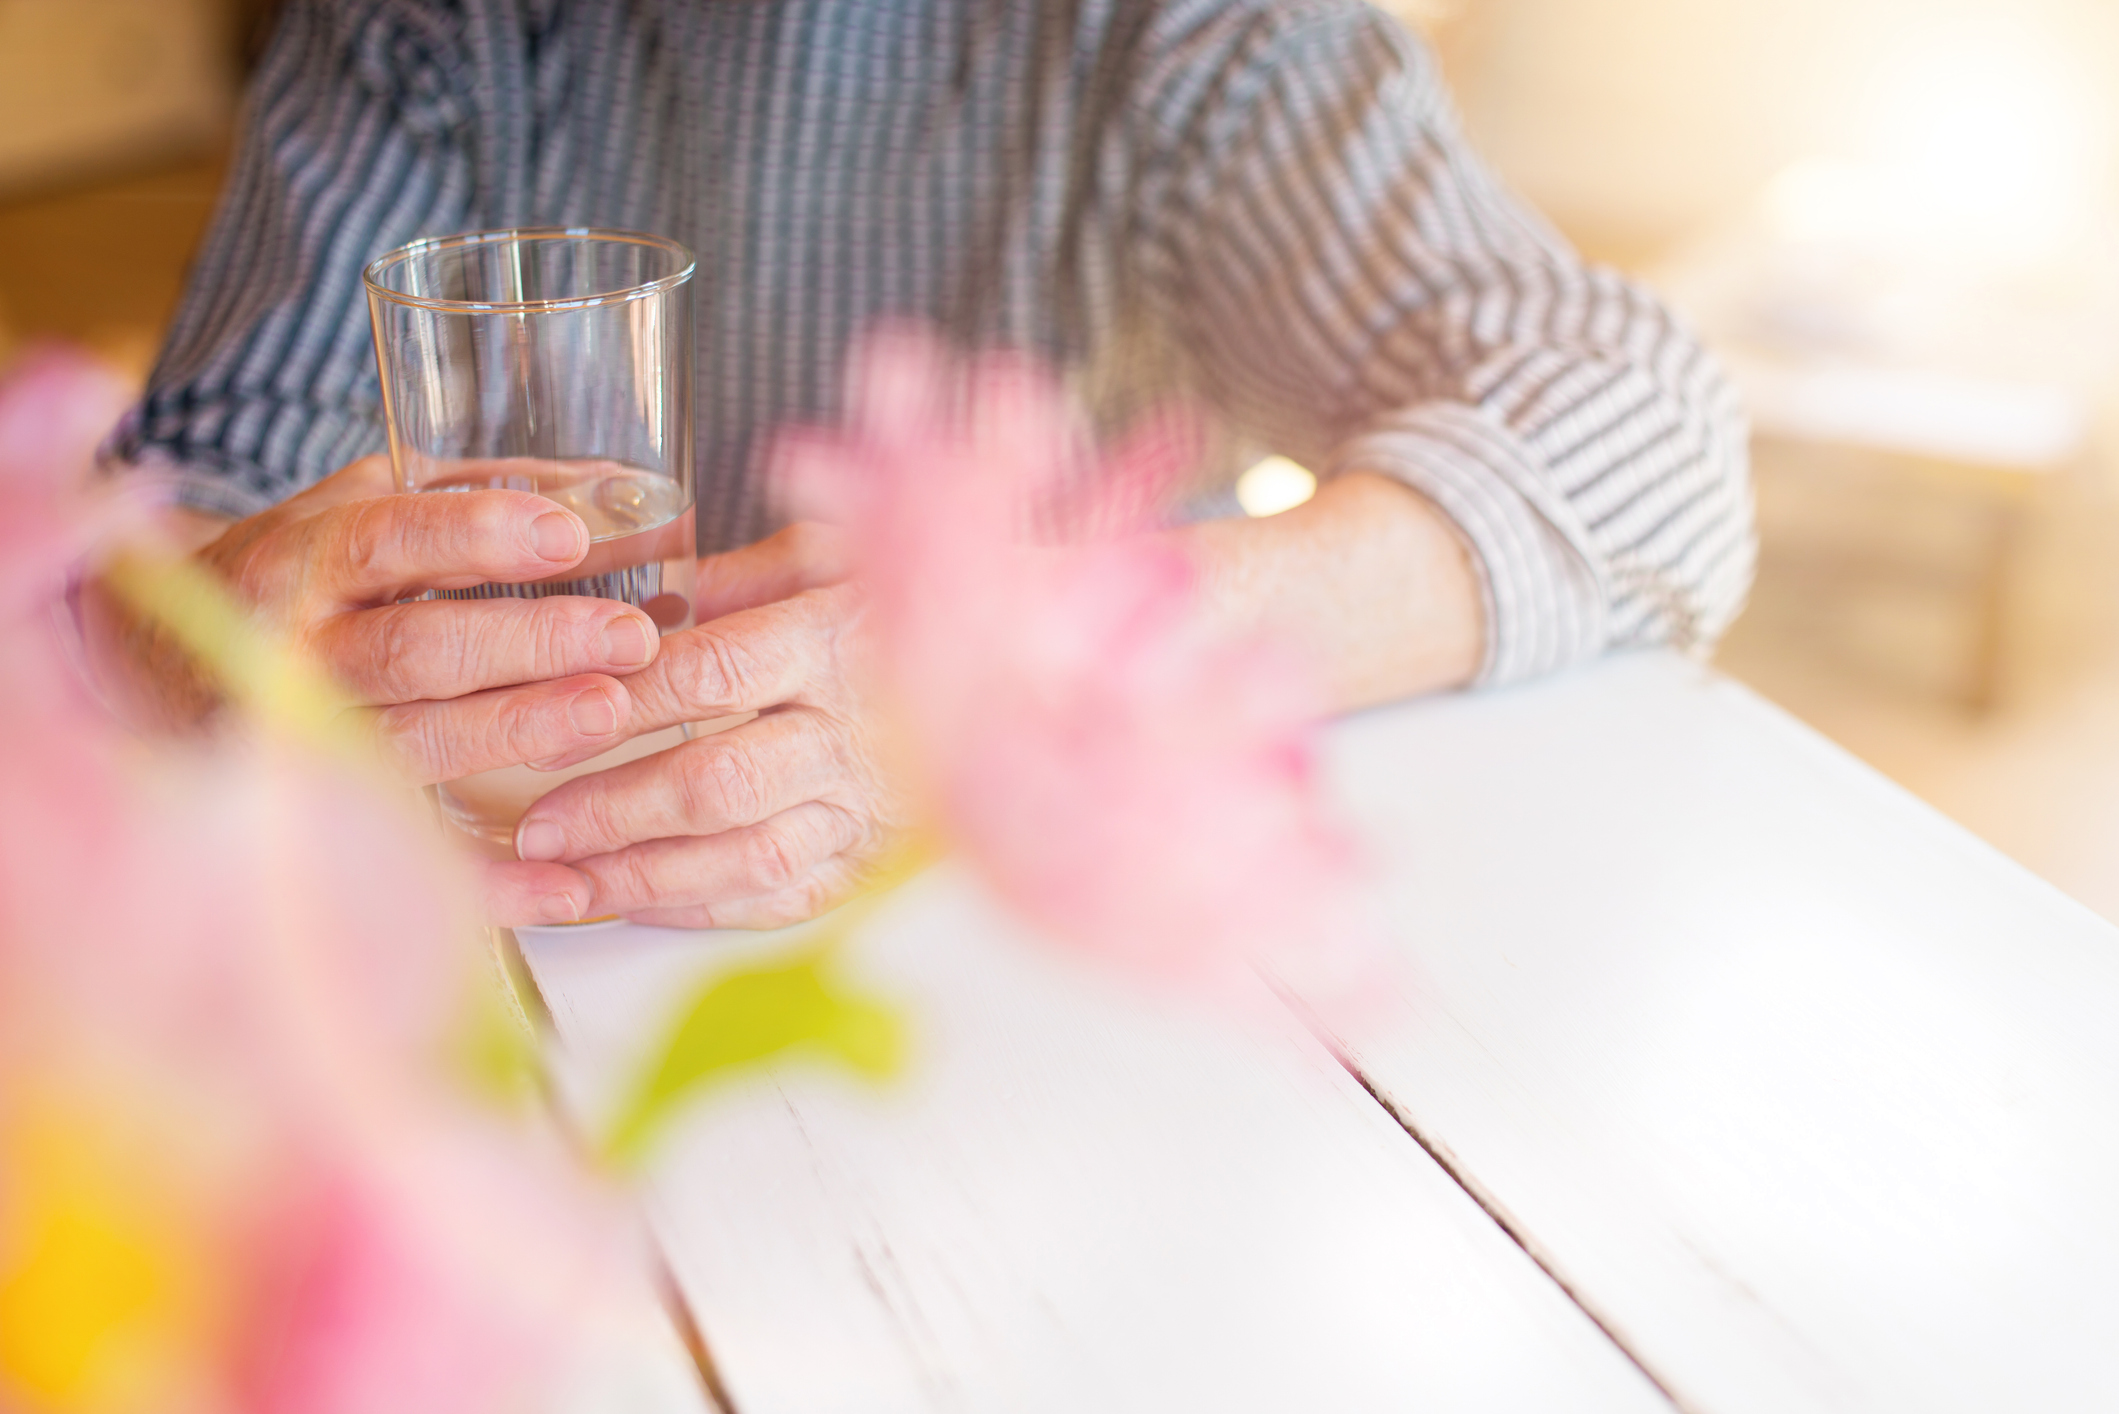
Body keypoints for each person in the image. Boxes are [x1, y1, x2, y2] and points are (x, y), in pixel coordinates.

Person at [98, 0, 1753, 928]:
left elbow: (1648, 443)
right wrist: (219, 619)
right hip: (508, 956)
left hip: (1045, 972)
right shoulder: (429, 26)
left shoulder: (1194, 34)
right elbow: (173, 512)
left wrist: (1016, 662)